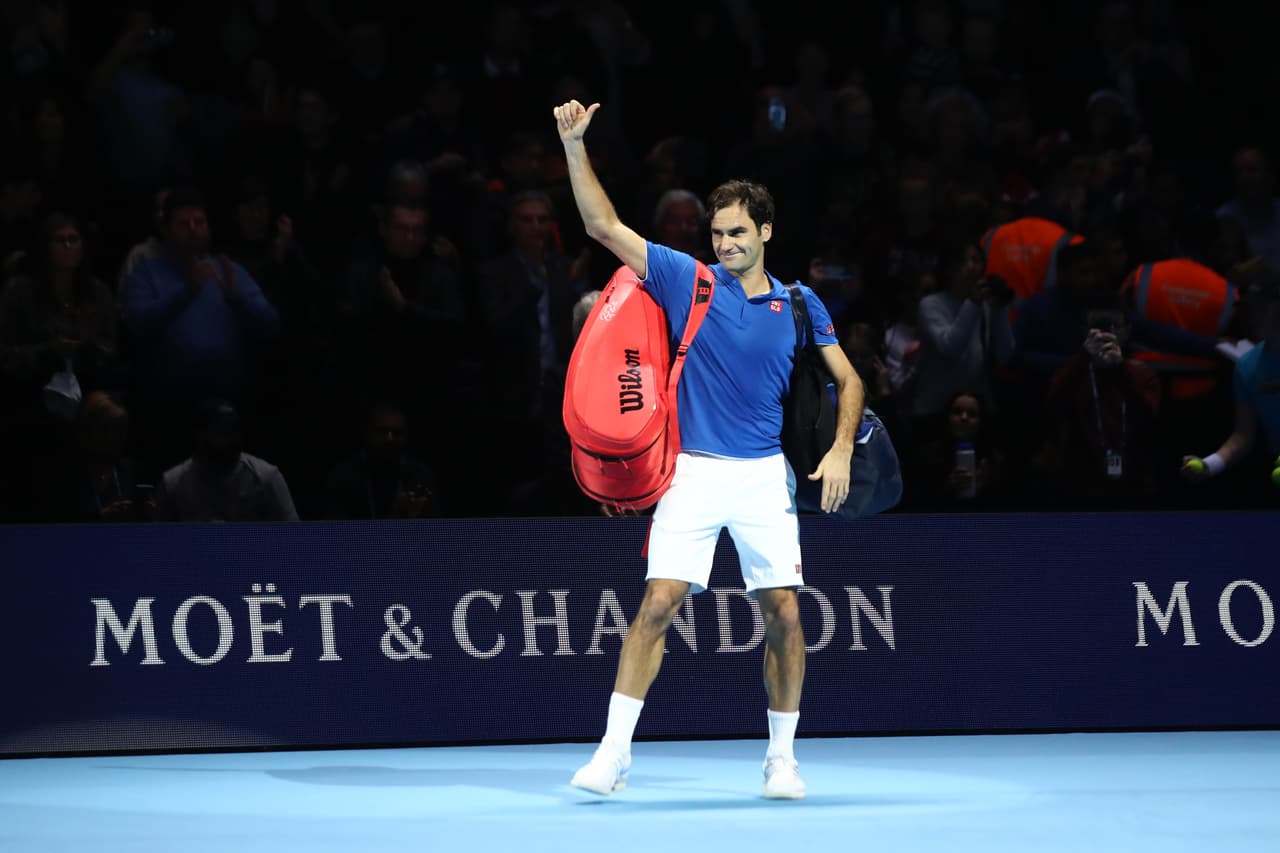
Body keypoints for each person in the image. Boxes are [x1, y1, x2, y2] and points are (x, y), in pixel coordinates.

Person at [553, 99, 863, 800]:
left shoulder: (801, 303)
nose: (724, 244)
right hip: (691, 472)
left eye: (737, 232)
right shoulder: (686, 279)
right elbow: (603, 226)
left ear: (766, 232)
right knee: (657, 604)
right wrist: (575, 147)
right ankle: (613, 754)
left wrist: (843, 447)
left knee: (784, 613)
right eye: (718, 233)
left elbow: (850, 380)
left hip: (763, 478)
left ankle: (781, 759)